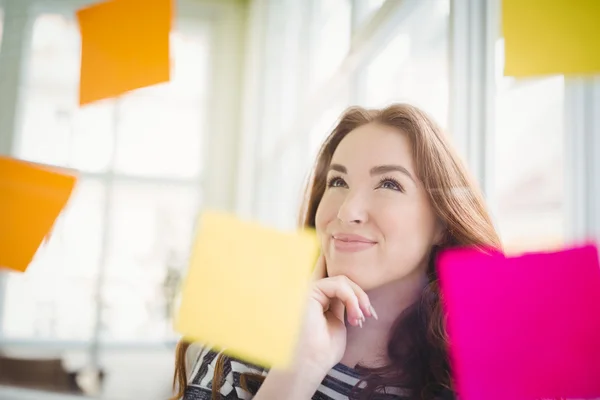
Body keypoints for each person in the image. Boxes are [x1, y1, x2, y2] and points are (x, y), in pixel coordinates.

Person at [171, 104, 501, 400]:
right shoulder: (239, 349)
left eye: (389, 184)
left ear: (443, 223)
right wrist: (300, 368)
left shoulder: (491, 376)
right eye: (337, 182)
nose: (346, 211)